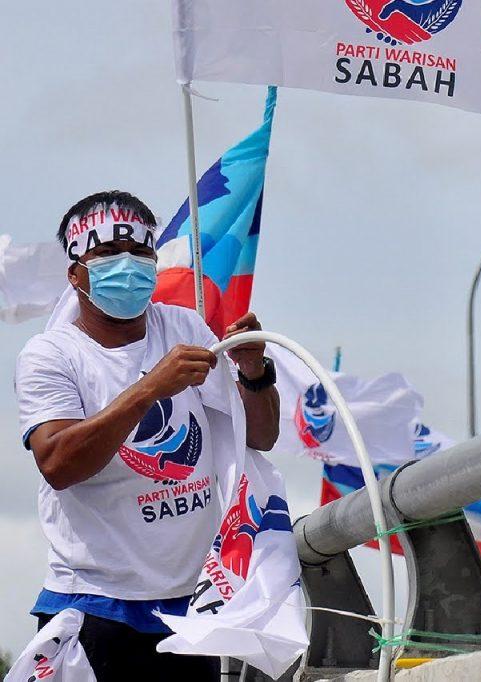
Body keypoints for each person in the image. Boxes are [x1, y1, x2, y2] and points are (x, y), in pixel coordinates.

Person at [15, 190, 281, 681]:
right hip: (94, 604)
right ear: (75, 273)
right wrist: (149, 389)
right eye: (108, 253)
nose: (128, 265)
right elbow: (57, 464)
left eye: (140, 252)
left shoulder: (184, 326)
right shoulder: (50, 355)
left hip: (188, 607)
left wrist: (254, 372)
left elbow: (260, 435)